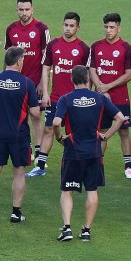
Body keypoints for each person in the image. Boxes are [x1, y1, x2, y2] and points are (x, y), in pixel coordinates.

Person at [53, 66, 125, 242]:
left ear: (72, 80)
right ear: (88, 80)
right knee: (91, 191)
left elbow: (56, 122)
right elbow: (121, 118)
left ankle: (67, 228)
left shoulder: (66, 99)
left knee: (67, 190)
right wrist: (106, 135)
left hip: (73, 152)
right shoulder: (99, 98)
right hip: (94, 151)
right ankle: (86, 230)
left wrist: (60, 138)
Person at [0, 47, 41, 223]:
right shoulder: (27, 83)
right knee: (19, 173)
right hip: (19, 135)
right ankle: (16, 212)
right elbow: (36, 113)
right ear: (19, 61)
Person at [29, 12, 90, 178]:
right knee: (48, 129)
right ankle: (40, 166)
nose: (68, 29)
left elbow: (87, 75)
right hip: (55, 98)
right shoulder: (53, 45)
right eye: (66, 25)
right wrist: (46, 94)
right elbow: (46, 68)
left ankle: (79, 164)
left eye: (71, 26)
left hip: (76, 99)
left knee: (76, 132)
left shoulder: (83, 48)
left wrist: (87, 95)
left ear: (78, 27)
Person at [88, 13, 131, 179]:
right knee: (101, 130)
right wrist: (100, 87)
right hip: (100, 97)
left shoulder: (127, 48)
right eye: (106, 27)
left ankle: (128, 166)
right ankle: (98, 164)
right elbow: (92, 69)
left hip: (120, 98)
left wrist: (108, 86)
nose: (108, 30)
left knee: (123, 130)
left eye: (112, 27)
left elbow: (129, 74)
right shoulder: (96, 46)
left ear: (119, 28)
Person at [4, 0, 50, 163]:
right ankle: (26, 149)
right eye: (21, 10)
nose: (24, 13)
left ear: (33, 10)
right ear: (16, 10)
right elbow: (8, 57)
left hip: (34, 82)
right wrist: (5, 78)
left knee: (36, 115)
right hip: (15, 82)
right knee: (20, 117)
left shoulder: (41, 28)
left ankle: (39, 153)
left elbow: (47, 60)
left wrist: (42, 85)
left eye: (27, 9)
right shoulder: (11, 29)